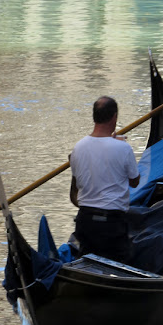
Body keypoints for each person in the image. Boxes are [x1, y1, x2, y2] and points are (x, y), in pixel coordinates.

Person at [69, 96, 140, 262]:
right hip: (112, 225)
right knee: (123, 265)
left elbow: (75, 191)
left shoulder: (77, 149)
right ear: (114, 117)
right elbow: (134, 182)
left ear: (94, 116)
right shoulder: (123, 148)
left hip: (85, 222)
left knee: (86, 261)